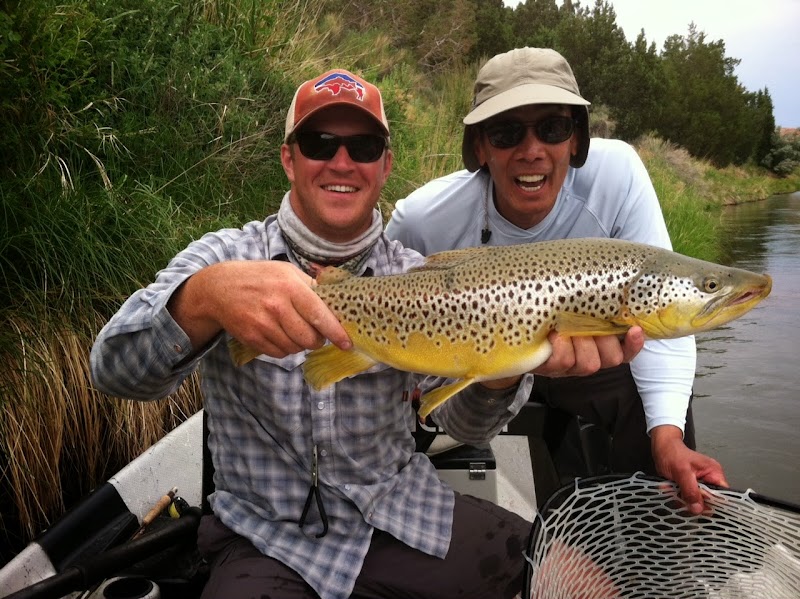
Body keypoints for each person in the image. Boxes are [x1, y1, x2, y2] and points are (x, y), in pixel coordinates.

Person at [90, 68, 639, 599]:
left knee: (583, 586)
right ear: (289, 157)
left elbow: (465, 427)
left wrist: (507, 369)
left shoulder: (420, 279)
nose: (342, 161)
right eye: (319, 142)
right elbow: (112, 370)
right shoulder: (226, 259)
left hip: (405, 515)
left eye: (364, 147)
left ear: (385, 165)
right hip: (266, 540)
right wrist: (203, 299)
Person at [385, 47, 728, 515]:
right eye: (506, 132)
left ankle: (650, 520)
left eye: (552, 128)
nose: (531, 151)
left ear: (576, 139)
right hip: (480, 367)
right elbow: (378, 290)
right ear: (480, 147)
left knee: (637, 367)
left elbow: (663, 325)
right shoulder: (422, 217)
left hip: (592, 364)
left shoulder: (618, 176)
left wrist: (667, 437)